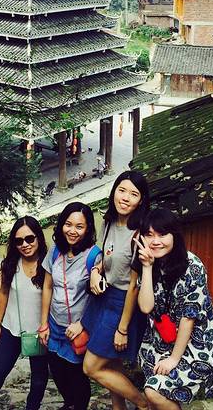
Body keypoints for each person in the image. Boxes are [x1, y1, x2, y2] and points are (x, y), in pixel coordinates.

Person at [135, 208, 213, 409]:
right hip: (159, 339)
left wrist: (174, 359)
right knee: (154, 391)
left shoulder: (193, 266)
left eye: (162, 234)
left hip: (193, 342)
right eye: (149, 235)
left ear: (175, 235)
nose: (155, 241)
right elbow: (146, 307)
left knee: (153, 391)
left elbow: (188, 318)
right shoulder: (148, 262)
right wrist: (147, 268)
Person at [82, 170, 151, 410]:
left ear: (141, 201)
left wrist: (122, 329)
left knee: (91, 366)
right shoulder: (109, 221)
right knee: (112, 365)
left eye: (133, 194)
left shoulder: (140, 234)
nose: (125, 198)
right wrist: (95, 270)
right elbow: (104, 255)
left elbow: (134, 286)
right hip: (103, 298)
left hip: (123, 303)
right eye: (122, 190)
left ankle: (143, 404)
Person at [0, 216, 49, 410]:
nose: (25, 245)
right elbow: (3, 295)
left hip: (40, 332)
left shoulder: (49, 265)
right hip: (11, 328)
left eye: (29, 239)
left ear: (38, 237)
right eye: (19, 241)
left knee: (39, 379)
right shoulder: (9, 265)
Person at [39, 202, 101, 410]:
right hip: (54, 323)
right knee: (57, 372)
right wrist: (43, 323)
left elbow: (99, 298)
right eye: (68, 224)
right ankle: (69, 404)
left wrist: (82, 324)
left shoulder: (94, 256)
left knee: (77, 375)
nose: (72, 231)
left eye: (79, 226)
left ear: (88, 229)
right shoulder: (55, 251)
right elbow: (48, 286)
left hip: (77, 328)